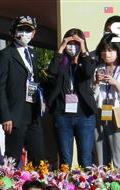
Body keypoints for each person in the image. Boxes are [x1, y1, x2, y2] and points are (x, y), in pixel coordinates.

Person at [0, 16, 45, 166]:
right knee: (13, 158)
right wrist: (5, 115)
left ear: (34, 33)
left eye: (28, 30)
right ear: (13, 32)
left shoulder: (33, 54)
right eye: (21, 29)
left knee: (39, 156)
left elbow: (35, 81)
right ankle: (11, 188)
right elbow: (0, 86)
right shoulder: (5, 55)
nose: (25, 33)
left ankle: (38, 187)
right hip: (15, 115)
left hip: (33, 112)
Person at [47, 28, 97, 168]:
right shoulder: (61, 62)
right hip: (62, 116)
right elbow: (52, 71)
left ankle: (86, 188)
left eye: (76, 43)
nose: (72, 46)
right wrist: (61, 47)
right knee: (65, 160)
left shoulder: (88, 60)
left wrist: (83, 49)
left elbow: (88, 73)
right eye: (70, 43)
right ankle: (65, 188)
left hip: (84, 116)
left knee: (86, 159)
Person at [93, 34, 120, 172]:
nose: (107, 54)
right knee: (100, 159)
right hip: (100, 114)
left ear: (118, 51)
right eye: (104, 50)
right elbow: (92, 97)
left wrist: (116, 84)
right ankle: (102, 189)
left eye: (111, 50)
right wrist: (95, 83)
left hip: (119, 114)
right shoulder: (96, 69)